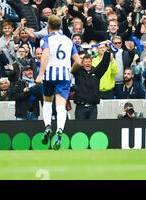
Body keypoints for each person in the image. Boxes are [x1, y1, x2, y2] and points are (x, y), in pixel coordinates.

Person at [35, 15, 81, 150]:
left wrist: (41, 74)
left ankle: (48, 125)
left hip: (49, 75)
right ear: (60, 26)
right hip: (64, 76)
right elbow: (78, 61)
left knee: (47, 102)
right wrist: (70, 71)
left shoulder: (45, 39)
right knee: (61, 106)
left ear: (48, 27)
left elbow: (46, 54)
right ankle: (59, 130)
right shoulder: (68, 40)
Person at [72, 50, 110, 120]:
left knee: (92, 129)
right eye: (85, 62)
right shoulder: (77, 72)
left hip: (93, 107)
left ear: (91, 63)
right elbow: (71, 64)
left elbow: (104, 64)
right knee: (79, 128)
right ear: (82, 63)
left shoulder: (96, 72)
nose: (87, 64)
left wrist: (107, 52)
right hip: (80, 107)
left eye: (89, 62)